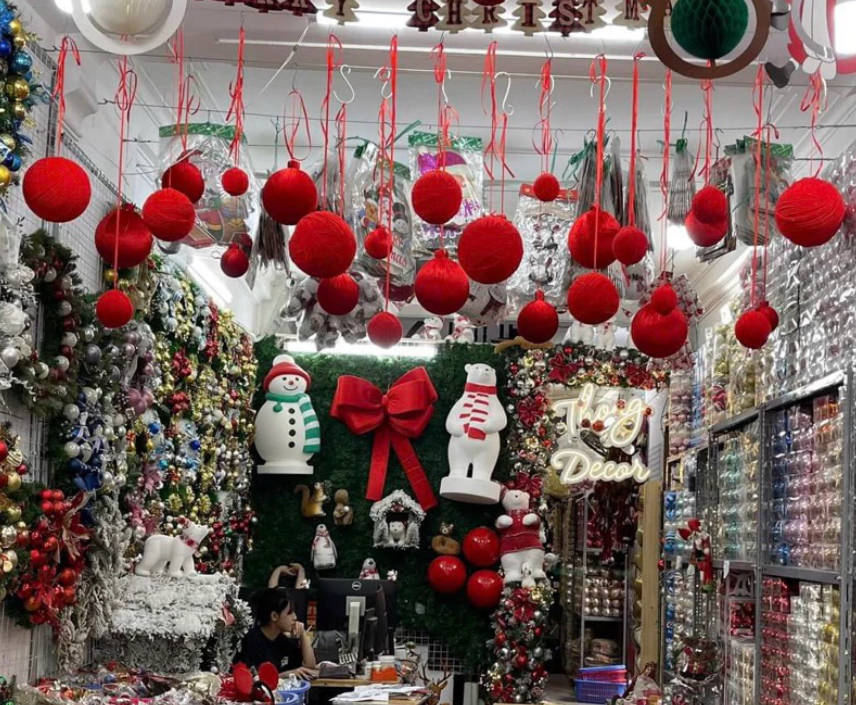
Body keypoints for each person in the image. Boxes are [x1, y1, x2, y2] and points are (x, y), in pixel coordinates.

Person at [235, 587, 317, 679]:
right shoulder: (252, 640)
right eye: (289, 613)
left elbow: (310, 668)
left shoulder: (282, 640)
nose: (295, 617)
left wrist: (302, 634)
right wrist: (287, 674)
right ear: (274, 616)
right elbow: (256, 679)